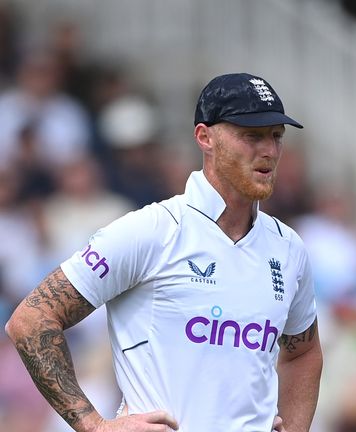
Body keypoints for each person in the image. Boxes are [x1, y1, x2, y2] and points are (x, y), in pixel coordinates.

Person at [5, 72, 323, 432]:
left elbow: (303, 353)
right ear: (205, 137)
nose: (268, 151)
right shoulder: (151, 230)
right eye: (251, 135)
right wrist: (95, 426)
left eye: (276, 137)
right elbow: (31, 320)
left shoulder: (288, 248)